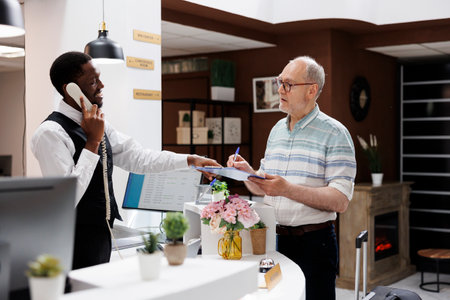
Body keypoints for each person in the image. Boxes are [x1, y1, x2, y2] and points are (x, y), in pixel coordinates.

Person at [31, 51, 220, 270]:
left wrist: (190, 160)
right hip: (72, 240)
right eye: (93, 82)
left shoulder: (99, 123)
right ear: (70, 89)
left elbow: (139, 158)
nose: (101, 85)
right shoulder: (50, 133)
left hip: (101, 236)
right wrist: (92, 142)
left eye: (99, 78)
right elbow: (67, 197)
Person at [228, 56, 356, 300]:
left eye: (287, 84)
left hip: (314, 244)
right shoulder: (276, 130)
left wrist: (287, 189)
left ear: (311, 90)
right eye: (279, 82)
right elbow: (264, 188)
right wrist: (248, 173)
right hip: (273, 242)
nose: (280, 89)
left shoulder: (336, 134)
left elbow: (340, 200)